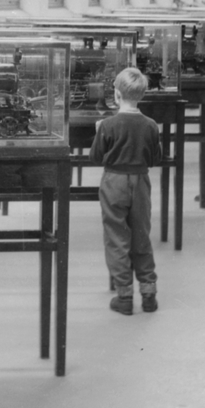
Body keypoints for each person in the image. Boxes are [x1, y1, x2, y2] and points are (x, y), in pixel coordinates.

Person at [90, 66, 161, 315]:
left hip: (114, 182)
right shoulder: (151, 125)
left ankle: (124, 296)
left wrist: (99, 132)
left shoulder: (107, 125)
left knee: (117, 238)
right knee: (141, 234)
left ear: (117, 94)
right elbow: (155, 159)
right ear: (142, 94)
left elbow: (95, 157)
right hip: (140, 182)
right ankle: (149, 293)